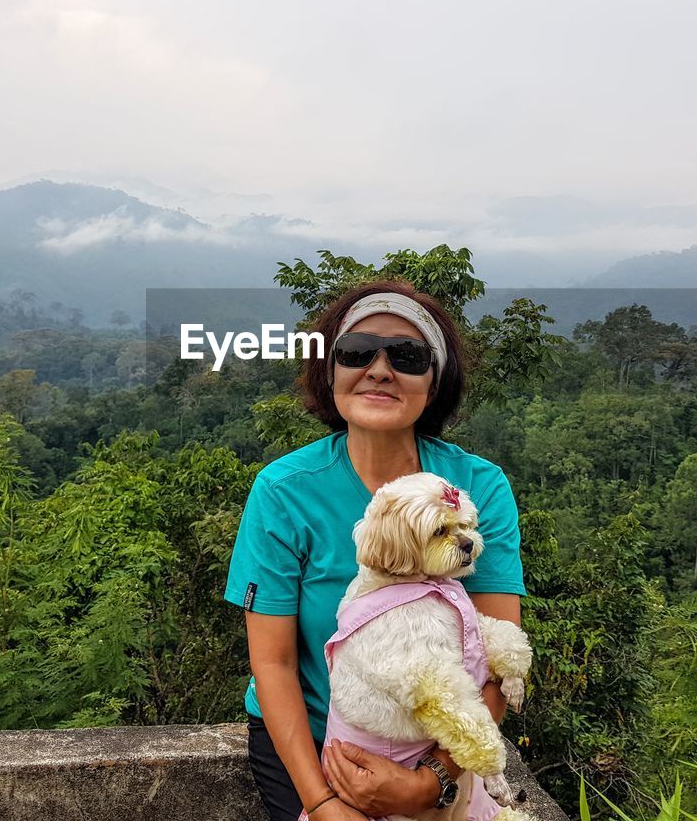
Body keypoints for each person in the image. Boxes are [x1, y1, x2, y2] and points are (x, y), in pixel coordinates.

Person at [223, 279, 527, 821]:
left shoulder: (476, 486)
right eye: (357, 352)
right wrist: (320, 803)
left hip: (436, 747)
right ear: (330, 370)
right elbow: (273, 661)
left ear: (435, 383)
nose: (380, 370)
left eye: (408, 356)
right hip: (320, 746)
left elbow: (495, 657)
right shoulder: (285, 490)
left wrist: (431, 778)